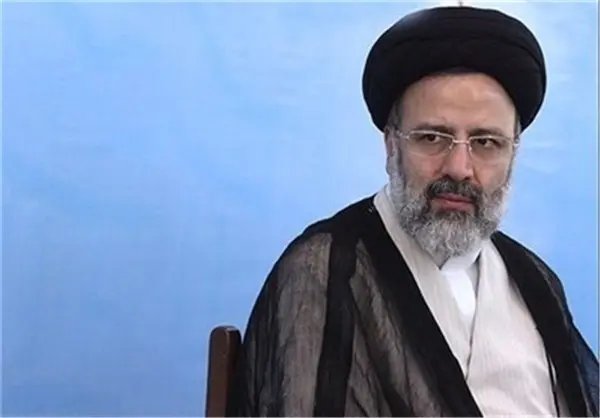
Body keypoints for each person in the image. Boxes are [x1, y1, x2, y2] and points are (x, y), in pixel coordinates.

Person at [227, 5, 599, 417]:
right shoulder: (325, 269)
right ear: (391, 144)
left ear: (513, 153)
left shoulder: (535, 281)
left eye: (486, 143)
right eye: (432, 137)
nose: (459, 168)